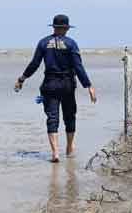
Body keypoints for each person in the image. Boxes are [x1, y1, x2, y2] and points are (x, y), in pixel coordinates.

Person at [14, 14, 96, 163]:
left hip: (50, 84)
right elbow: (78, 66)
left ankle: (55, 153)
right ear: (66, 28)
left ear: (54, 27)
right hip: (67, 85)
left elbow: (35, 64)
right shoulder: (71, 44)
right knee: (69, 116)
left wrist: (22, 79)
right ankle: (70, 148)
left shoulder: (43, 43)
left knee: (52, 118)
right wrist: (88, 86)